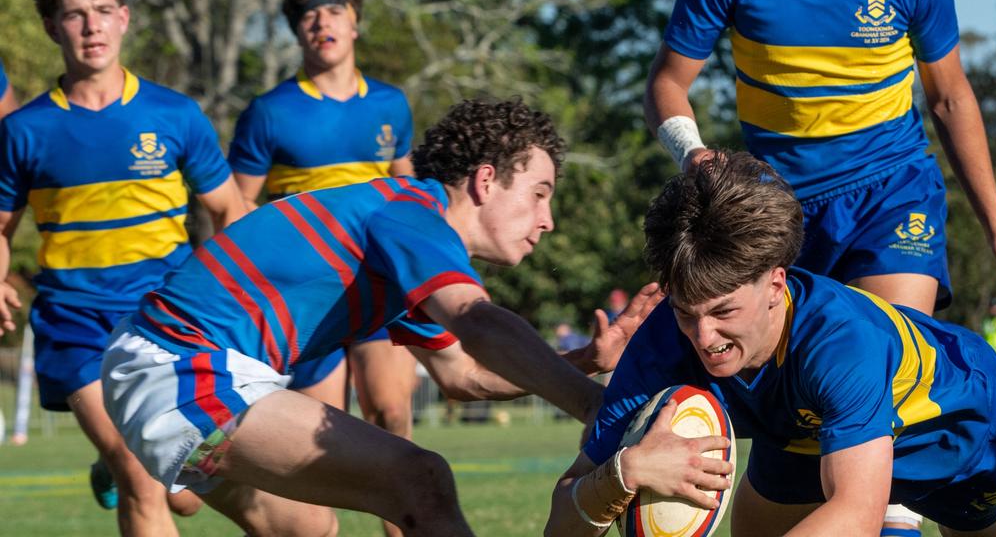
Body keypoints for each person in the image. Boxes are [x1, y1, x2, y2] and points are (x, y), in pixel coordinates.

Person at [642, 0, 996, 530]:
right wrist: (693, 151)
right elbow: (668, 84)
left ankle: (890, 511)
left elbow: (950, 98)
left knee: (883, 364)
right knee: (789, 457)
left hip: (894, 193)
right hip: (782, 215)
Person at [95, 98, 661, 536]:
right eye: (539, 194)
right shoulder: (414, 215)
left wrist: (583, 361)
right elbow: (479, 323)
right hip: (183, 366)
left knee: (308, 527)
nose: (548, 220)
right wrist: (595, 408)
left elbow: (463, 376)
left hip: (181, 369)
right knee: (420, 479)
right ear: (487, 181)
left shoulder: (407, 242)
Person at [546, 153, 996, 537]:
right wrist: (622, 472)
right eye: (686, 313)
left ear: (775, 284)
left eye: (724, 313)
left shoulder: (838, 341)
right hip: (801, 428)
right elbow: (562, 517)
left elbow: (856, 513)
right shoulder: (661, 344)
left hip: (950, 423)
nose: (703, 338)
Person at [0, 0, 245, 535]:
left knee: (182, 493)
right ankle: (119, 462)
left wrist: (244, 292)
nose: (92, 27)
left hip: (164, 320)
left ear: (125, 18)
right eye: (76, 14)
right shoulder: (23, 131)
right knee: (141, 473)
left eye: (104, 10)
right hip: (74, 324)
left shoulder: (175, 115)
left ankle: (110, 465)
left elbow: (229, 208)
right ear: (52, 26)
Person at [228, 0, 420, 535]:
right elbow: (234, 210)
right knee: (320, 448)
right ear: (297, 32)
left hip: (378, 288)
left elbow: (410, 195)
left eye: (334, 9)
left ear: (355, 22)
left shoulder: (390, 105)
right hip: (305, 302)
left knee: (393, 422)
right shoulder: (270, 113)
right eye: (309, 14)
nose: (322, 22)